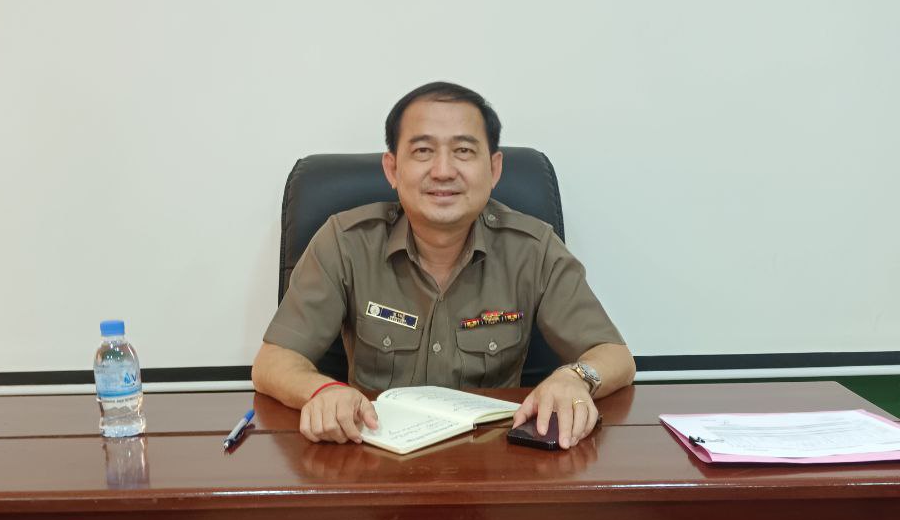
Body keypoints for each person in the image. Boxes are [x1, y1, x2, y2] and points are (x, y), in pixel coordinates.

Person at [252, 81, 636, 447]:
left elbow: (614, 355)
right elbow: (273, 362)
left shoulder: (533, 249)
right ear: (392, 169)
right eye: (423, 151)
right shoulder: (346, 242)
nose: (443, 171)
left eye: (464, 151)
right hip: (373, 456)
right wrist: (323, 391)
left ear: (494, 169)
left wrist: (575, 378)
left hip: (495, 460)